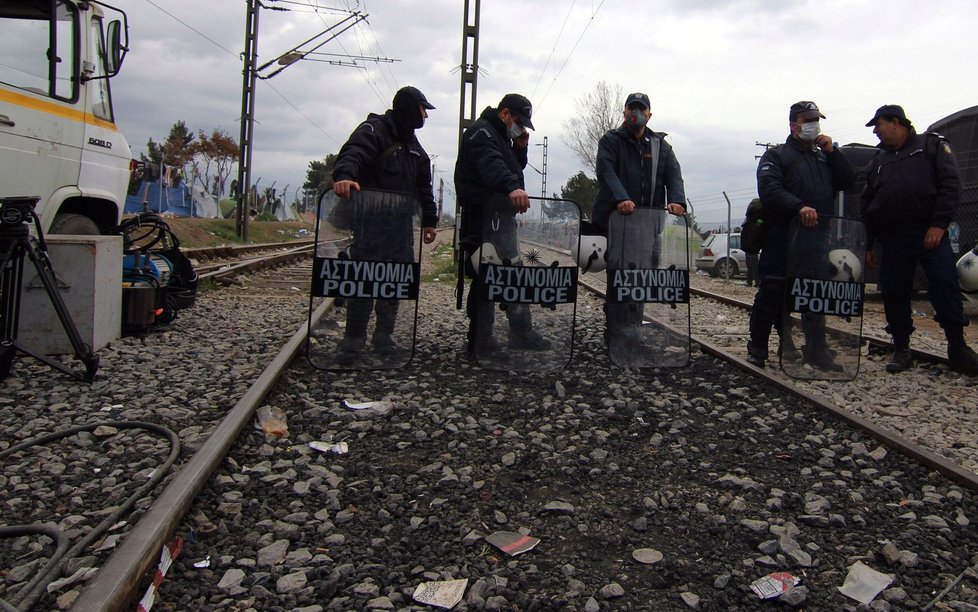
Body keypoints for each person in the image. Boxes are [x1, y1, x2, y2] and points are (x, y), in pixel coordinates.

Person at [861, 104, 978, 374]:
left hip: (930, 234)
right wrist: (866, 244)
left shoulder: (931, 146)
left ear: (895, 122)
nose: (876, 131)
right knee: (894, 291)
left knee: (945, 286)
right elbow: (867, 206)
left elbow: (950, 186)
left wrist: (938, 225)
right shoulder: (878, 162)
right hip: (892, 238)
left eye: (878, 125)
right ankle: (901, 348)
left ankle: (957, 347)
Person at [330, 85, 439, 363]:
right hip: (371, 223)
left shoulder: (415, 148)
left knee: (395, 281)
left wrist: (429, 221)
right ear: (409, 107)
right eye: (422, 109)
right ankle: (353, 339)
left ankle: (385, 336)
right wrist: (344, 175)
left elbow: (424, 188)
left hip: (401, 227)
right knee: (365, 279)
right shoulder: (374, 129)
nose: (425, 115)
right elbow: (353, 152)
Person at [747, 101, 854, 368]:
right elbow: (769, 190)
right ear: (794, 125)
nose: (813, 125)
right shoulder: (777, 156)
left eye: (816, 120)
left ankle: (817, 350)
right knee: (772, 292)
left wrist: (833, 153)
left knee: (814, 295)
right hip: (783, 236)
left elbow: (849, 182)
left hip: (816, 239)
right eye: (808, 120)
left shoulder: (822, 157)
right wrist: (799, 207)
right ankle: (758, 347)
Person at [454, 93, 549, 354]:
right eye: (519, 121)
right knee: (487, 275)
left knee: (512, 274)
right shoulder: (481, 133)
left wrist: (520, 148)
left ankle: (521, 334)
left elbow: (513, 168)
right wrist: (512, 188)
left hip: (499, 219)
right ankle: (481, 340)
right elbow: (492, 166)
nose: (521, 127)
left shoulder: (501, 137)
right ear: (504, 113)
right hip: (482, 218)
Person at [591, 92, 686, 348]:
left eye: (641, 109)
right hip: (618, 221)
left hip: (647, 224)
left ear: (649, 114)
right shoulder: (611, 140)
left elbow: (673, 174)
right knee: (620, 275)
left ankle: (632, 329)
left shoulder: (660, 145)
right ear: (624, 112)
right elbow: (606, 171)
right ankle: (616, 330)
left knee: (642, 277)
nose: (636, 113)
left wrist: (677, 199)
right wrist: (620, 198)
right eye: (631, 108)